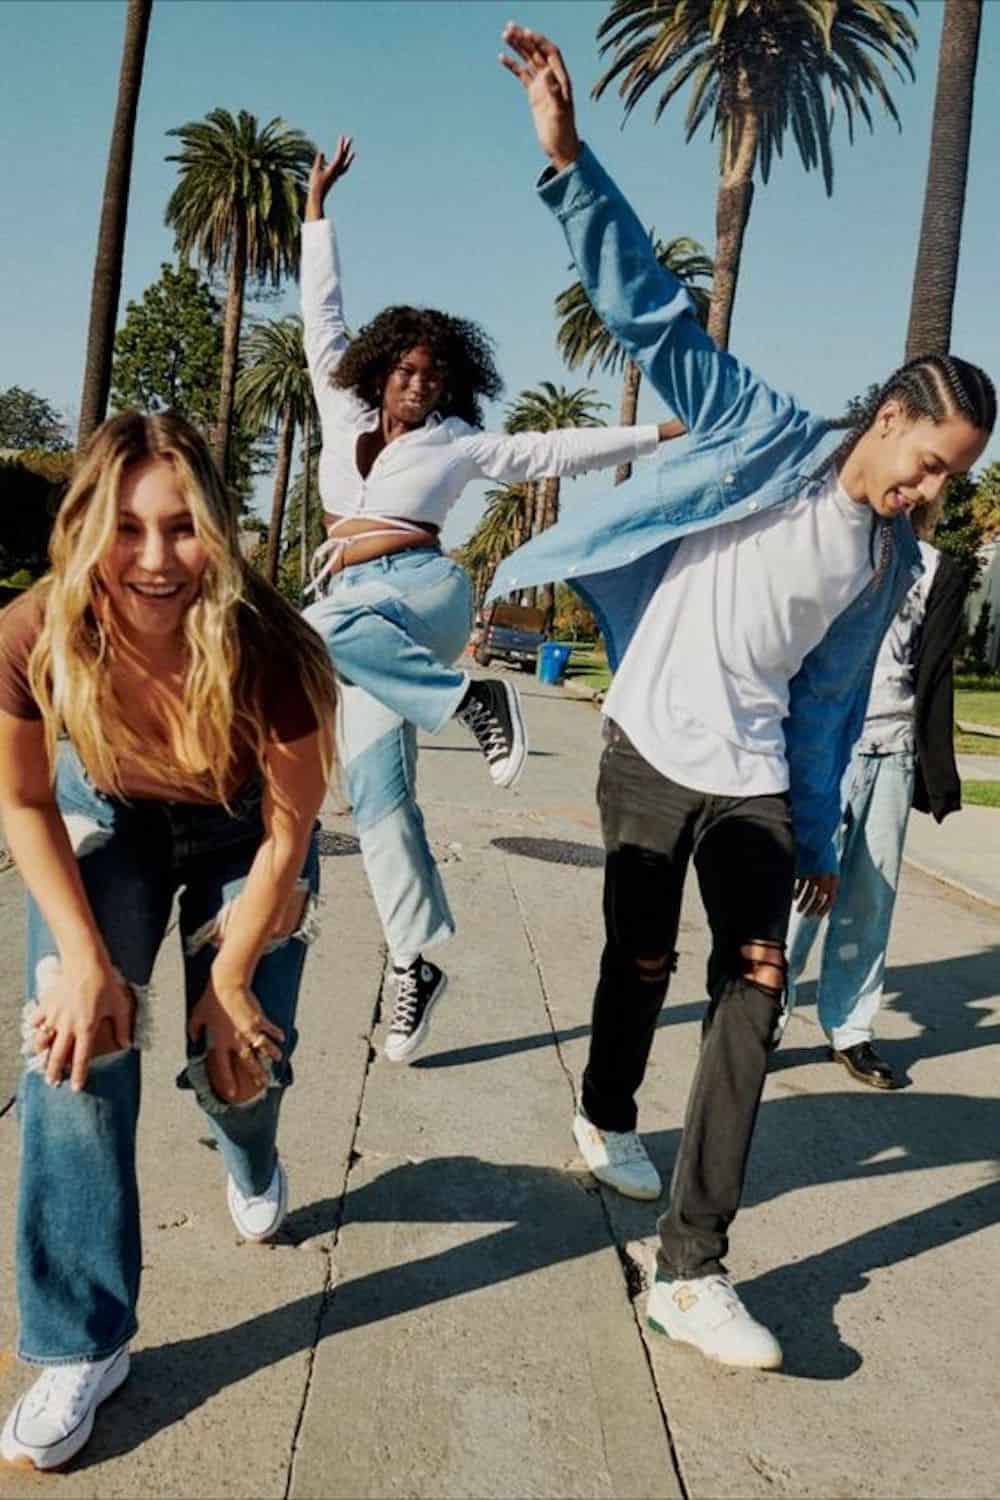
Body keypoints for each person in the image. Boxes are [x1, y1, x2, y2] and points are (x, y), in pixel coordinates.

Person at [497, 22, 994, 1370]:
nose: (931, 494)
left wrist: (820, 840)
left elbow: (828, 708)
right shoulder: (759, 432)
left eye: (949, 483)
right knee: (640, 960)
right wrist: (565, 160)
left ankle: (692, 1267)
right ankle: (606, 1109)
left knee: (754, 987)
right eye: (930, 464)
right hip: (652, 749)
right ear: (891, 418)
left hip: (758, 777)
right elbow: (649, 314)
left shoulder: (888, 556)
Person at [0, 413, 337, 1470]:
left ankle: (251, 1150)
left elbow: (294, 823)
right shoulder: (31, 630)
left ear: (219, 535)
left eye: (184, 528)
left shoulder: (273, 645)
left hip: (248, 829)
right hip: (110, 814)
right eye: (128, 528)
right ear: (85, 528)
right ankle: (83, 1343)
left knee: (234, 1059)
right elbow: (20, 802)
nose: (156, 560)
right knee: (72, 1044)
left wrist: (230, 976)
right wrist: (87, 963)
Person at [299, 137, 683, 1063]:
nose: (418, 385)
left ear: (448, 384)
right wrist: (317, 216)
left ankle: (472, 697)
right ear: (381, 368)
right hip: (357, 624)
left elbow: (552, 450)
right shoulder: (340, 408)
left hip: (421, 594)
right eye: (405, 370)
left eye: (433, 375)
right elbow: (323, 317)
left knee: (311, 633)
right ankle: (412, 959)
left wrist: (663, 429)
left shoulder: (461, 443)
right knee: (379, 800)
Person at [783, 499, 968, 1087]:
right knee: (798, 893)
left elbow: (934, 669)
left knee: (870, 896)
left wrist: (935, 768)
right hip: (827, 744)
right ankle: (761, 1015)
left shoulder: (939, 567)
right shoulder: (837, 543)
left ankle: (851, 1029)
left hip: (894, 748)